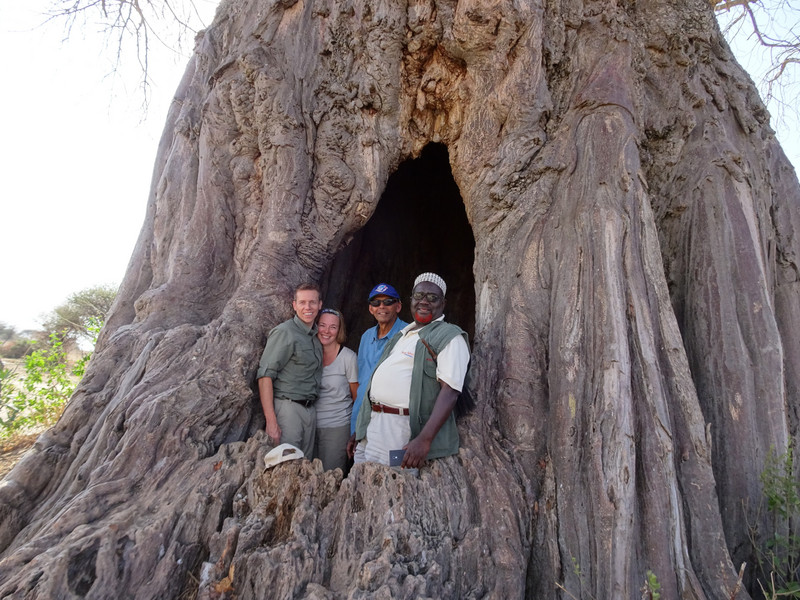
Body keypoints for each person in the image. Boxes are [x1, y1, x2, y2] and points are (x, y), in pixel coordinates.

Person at [354, 273, 470, 469]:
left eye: (432, 297)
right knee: (361, 487)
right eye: (419, 296)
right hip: (373, 424)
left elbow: (450, 392)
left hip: (400, 431)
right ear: (411, 300)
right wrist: (360, 430)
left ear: (443, 302)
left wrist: (424, 440)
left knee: (392, 488)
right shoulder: (404, 334)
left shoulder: (450, 336)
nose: (424, 302)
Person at [256, 283, 323, 457]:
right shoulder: (285, 332)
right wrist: (271, 422)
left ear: (320, 305)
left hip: (310, 410)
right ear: (294, 305)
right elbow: (265, 377)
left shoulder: (315, 337)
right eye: (302, 302)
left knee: (305, 468)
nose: (307, 307)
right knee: (286, 464)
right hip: (288, 409)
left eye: (312, 302)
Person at [346, 283, 408, 461]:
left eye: (388, 302)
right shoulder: (366, 336)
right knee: (361, 473)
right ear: (370, 309)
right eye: (376, 303)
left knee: (394, 475)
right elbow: (363, 382)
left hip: (393, 422)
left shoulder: (409, 335)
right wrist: (356, 426)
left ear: (398, 306)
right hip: (363, 418)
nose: (382, 306)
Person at [314, 308, 358, 471]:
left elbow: (357, 397)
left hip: (337, 427)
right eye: (322, 325)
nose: (326, 331)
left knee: (331, 474)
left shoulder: (348, 358)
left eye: (333, 327)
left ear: (339, 330)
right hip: (310, 425)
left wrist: (356, 432)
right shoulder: (310, 353)